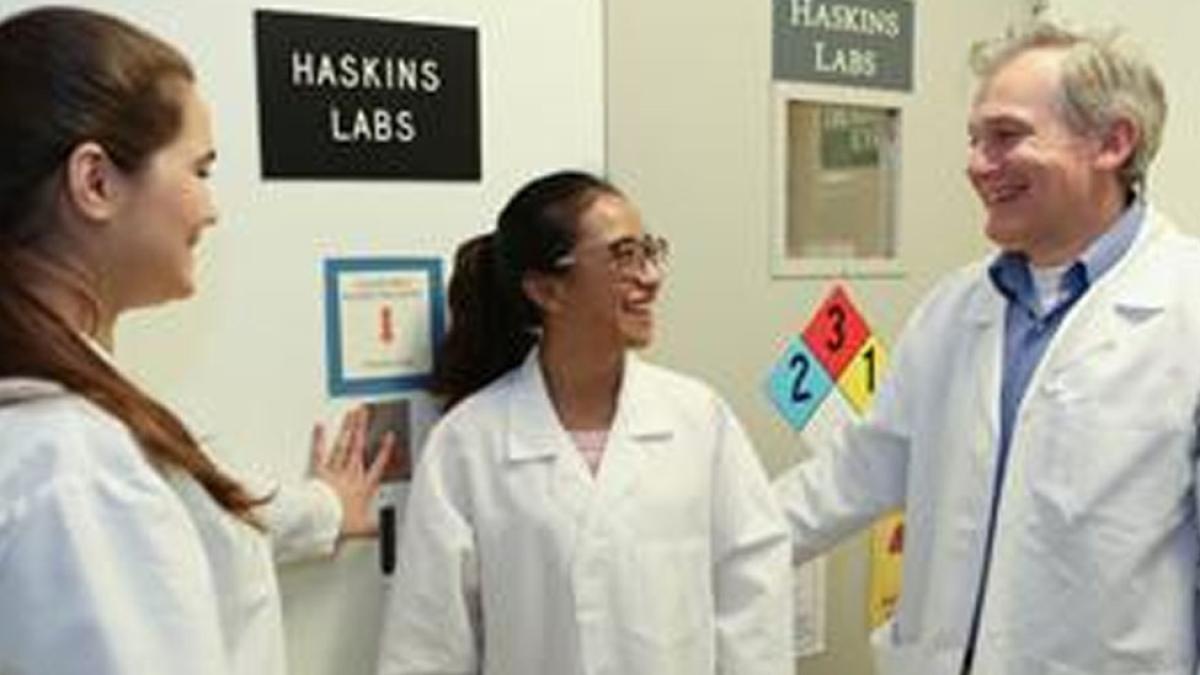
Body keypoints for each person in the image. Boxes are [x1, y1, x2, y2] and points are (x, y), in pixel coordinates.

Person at [774, 20, 1200, 675]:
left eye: (1006, 136)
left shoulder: (1185, 308)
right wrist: (697, 550)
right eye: (975, 140)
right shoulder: (955, 308)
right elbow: (852, 473)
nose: (977, 164)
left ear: (1113, 142)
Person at [0, 7, 392, 674]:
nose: (210, 208)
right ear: (95, 182)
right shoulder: (76, 467)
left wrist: (322, 508)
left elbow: (188, 522)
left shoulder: (71, 435)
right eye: (200, 169)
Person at [377, 170, 791, 675]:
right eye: (623, 256)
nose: (651, 276)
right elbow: (427, 646)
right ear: (547, 290)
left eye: (649, 250)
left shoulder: (699, 421)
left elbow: (754, 604)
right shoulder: (468, 444)